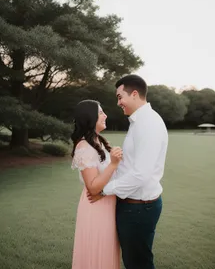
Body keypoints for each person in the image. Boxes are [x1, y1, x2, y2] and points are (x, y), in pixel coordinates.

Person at [88, 74, 169, 269]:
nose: (118, 103)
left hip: (139, 208)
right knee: (134, 261)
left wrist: (104, 190)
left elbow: (140, 174)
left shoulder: (148, 123)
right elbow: (132, 166)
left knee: (138, 263)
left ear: (134, 94)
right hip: (134, 206)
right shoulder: (138, 122)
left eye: (119, 97)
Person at [71, 99, 123, 269]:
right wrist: (114, 164)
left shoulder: (98, 141)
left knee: (107, 253)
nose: (105, 115)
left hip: (107, 204)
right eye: (101, 112)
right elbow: (93, 187)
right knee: (97, 254)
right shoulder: (84, 146)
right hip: (96, 207)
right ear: (90, 117)